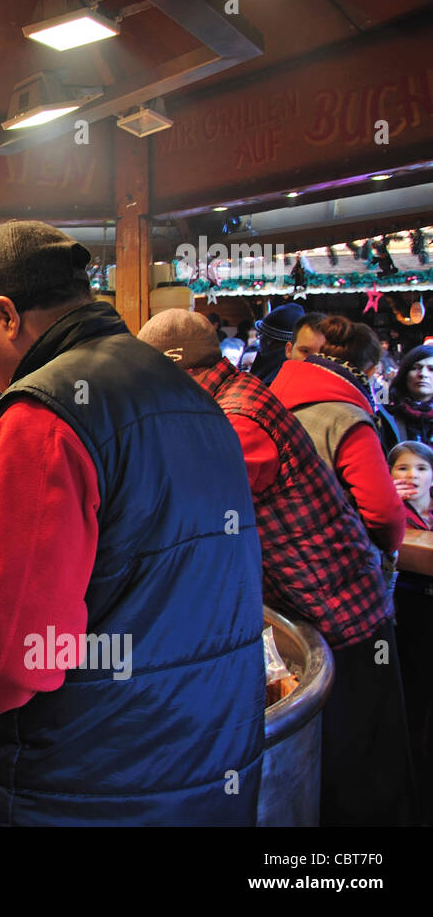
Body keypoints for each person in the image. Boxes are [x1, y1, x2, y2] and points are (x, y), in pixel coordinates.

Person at [0, 221, 265, 826]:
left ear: (7, 315)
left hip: (89, 790)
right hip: (211, 767)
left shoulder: (43, 418)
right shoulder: (187, 393)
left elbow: (8, 660)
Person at [140, 309, 413, 826]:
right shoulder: (229, 399)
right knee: (349, 767)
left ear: (176, 373)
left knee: (363, 778)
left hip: (343, 617)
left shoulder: (237, 422)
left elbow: (187, 513)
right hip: (326, 607)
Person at [270, 316, 405, 570]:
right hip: (329, 566)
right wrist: (391, 548)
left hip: (272, 559)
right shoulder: (349, 419)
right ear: (371, 371)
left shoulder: (274, 399)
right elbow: (384, 513)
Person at [390, 440, 433, 823]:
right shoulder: (390, 513)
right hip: (409, 612)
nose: (411, 476)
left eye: (420, 468)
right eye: (402, 468)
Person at [377, 344, 433, 450]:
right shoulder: (386, 415)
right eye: (416, 368)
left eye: (431, 369)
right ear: (405, 373)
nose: (423, 374)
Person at [249, 302, 304, 384]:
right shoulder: (299, 369)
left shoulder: (273, 376)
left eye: (260, 335)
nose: (258, 339)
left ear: (269, 341)